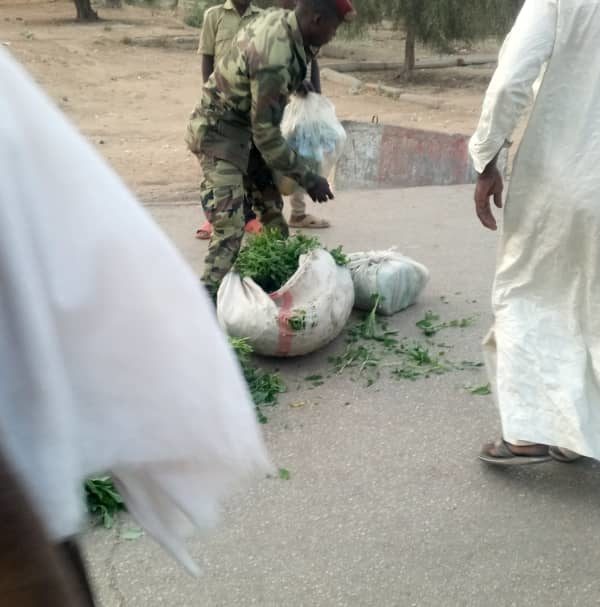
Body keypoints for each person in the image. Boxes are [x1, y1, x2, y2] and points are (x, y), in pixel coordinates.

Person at [0, 46, 271, 600]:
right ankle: (214, 288)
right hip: (222, 134)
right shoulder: (274, 44)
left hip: (236, 137)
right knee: (226, 231)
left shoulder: (292, 43)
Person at [470, 0, 599, 465]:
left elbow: (511, 81)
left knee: (530, 294)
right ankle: (573, 432)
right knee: (592, 303)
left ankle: (527, 433)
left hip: (563, 176)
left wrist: (486, 156)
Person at [186, 0, 355, 298]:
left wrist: (297, 86)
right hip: (219, 133)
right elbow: (266, 136)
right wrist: (308, 178)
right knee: (230, 227)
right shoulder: (274, 59)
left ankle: (273, 280)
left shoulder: (285, 25)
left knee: (272, 212)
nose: (333, 35)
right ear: (316, 19)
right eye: (334, 27)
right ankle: (207, 303)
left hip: (245, 128)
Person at [195, 0, 263, 240]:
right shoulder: (214, 16)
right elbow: (207, 57)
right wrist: (209, 93)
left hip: (250, 99)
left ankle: (248, 217)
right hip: (219, 99)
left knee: (247, 159)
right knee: (216, 160)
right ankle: (214, 217)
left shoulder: (262, 18)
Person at [278, 0, 330, 230]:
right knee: (276, 157)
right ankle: (263, 212)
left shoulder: (310, 25)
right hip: (281, 101)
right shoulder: (278, 30)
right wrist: (294, 86)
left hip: (304, 102)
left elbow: (314, 62)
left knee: (305, 154)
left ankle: (298, 213)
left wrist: (316, 97)